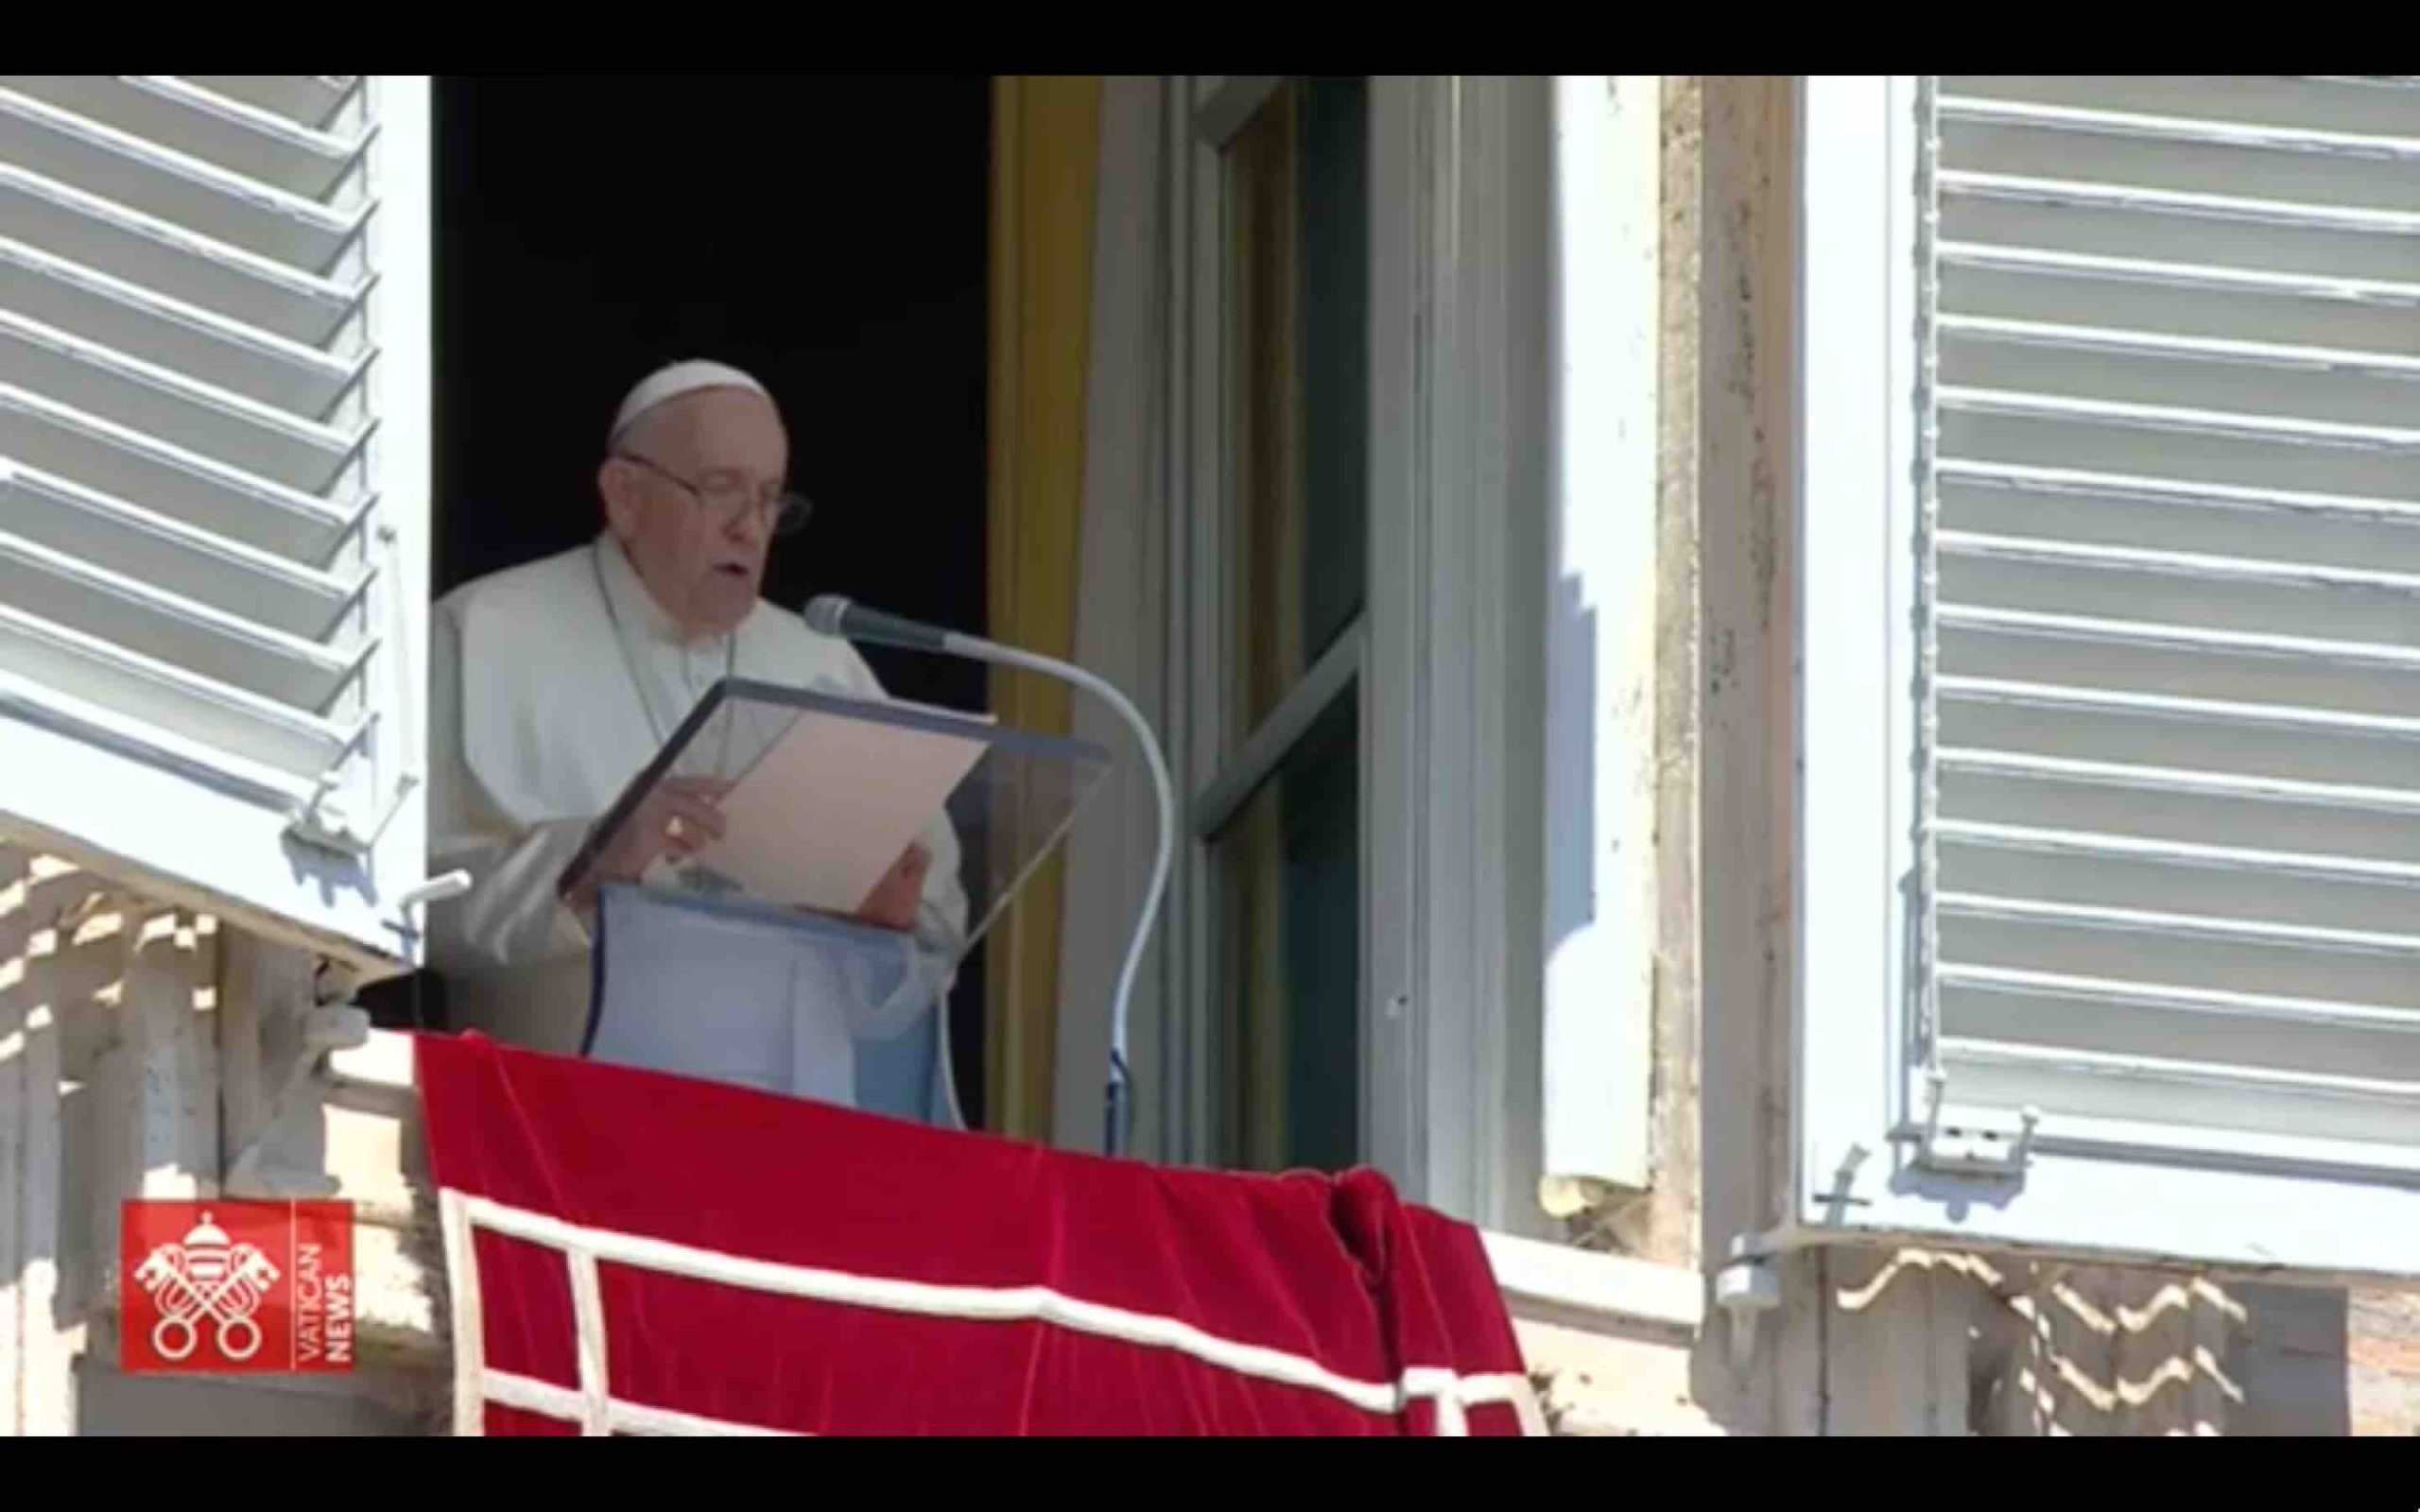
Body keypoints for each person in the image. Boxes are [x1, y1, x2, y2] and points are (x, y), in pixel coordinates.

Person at [424, 359, 966, 1112]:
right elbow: (406, 905)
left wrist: (885, 932)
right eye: (720, 490)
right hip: (560, 1120)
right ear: (624, 495)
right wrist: (587, 867)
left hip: (801, 1125)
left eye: (770, 499)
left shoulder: (824, 666)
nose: (750, 526)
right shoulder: (485, 630)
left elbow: (939, 933)